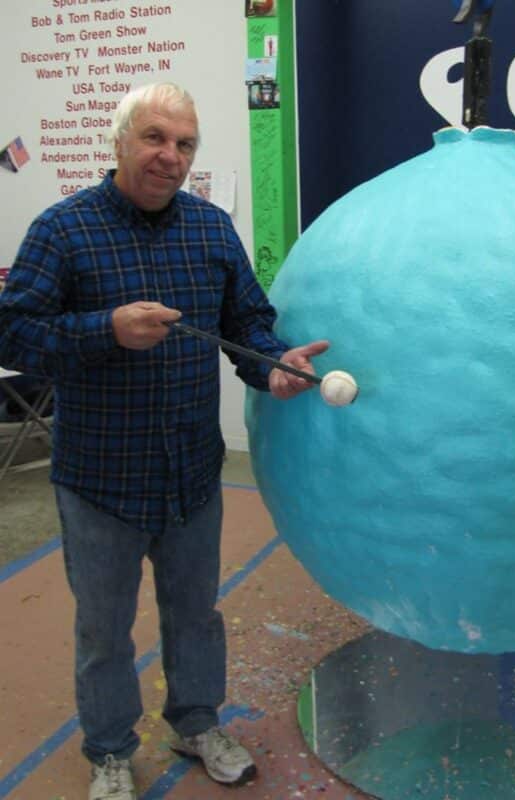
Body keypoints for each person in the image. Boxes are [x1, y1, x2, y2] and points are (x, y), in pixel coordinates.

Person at [0, 82, 327, 799]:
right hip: (100, 481)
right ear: (119, 143)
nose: (169, 157)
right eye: (154, 138)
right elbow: (13, 331)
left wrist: (274, 369)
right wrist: (103, 331)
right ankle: (111, 750)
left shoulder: (211, 230)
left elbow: (247, 323)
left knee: (195, 614)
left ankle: (196, 720)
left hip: (191, 475)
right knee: (104, 631)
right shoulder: (63, 231)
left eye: (184, 144)